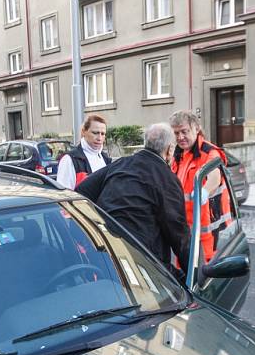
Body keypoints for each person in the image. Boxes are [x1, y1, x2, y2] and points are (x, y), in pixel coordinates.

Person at [76, 123, 190, 272]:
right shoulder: (167, 179)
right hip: (144, 262)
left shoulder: (120, 164)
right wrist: (195, 276)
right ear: (169, 150)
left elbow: (81, 191)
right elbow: (179, 234)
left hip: (107, 252)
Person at [169, 110, 231, 262]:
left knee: (207, 275)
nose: (180, 137)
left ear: (196, 129)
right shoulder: (178, 155)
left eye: (184, 131)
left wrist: (204, 191)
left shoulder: (209, 153)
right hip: (186, 230)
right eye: (176, 133)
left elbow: (214, 177)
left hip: (208, 231)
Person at [56, 114, 111, 189]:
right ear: (84, 131)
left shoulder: (105, 159)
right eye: (95, 133)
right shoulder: (69, 159)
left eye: (103, 134)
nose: (99, 138)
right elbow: (64, 195)